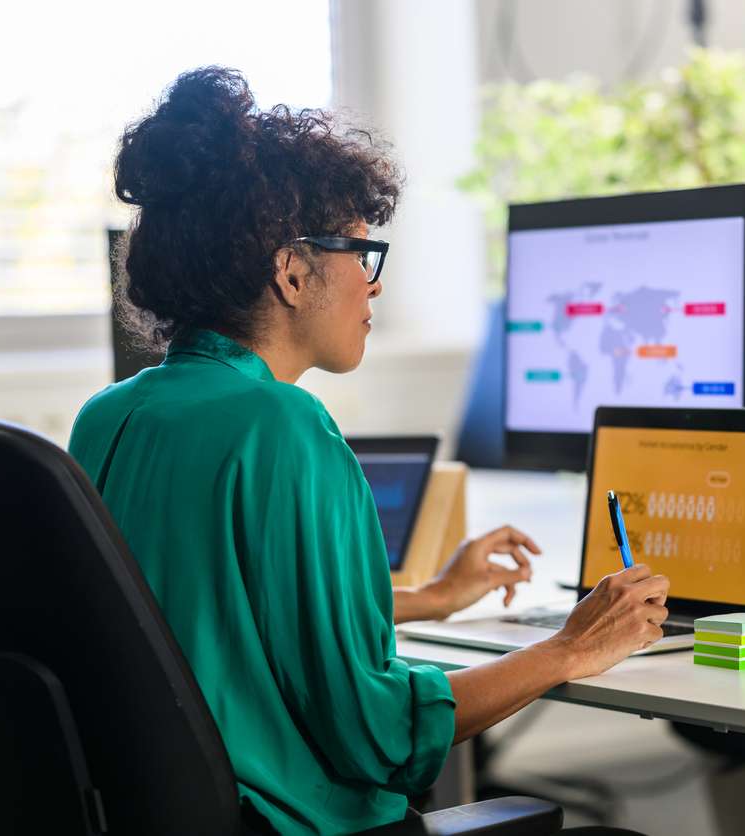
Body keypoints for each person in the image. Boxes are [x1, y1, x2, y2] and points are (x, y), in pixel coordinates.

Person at [68, 67, 665, 836]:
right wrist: (569, 648)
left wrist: (430, 597)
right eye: (360, 253)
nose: (372, 285)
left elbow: (207, 617)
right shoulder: (282, 427)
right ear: (292, 270)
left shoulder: (110, 417)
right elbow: (376, 735)